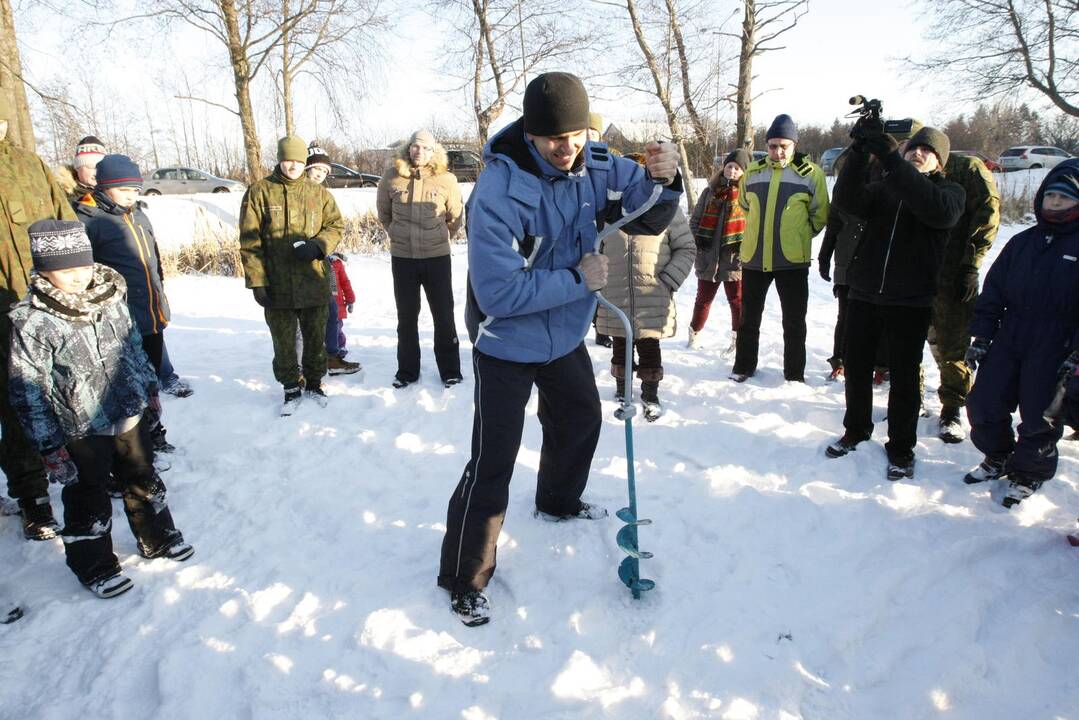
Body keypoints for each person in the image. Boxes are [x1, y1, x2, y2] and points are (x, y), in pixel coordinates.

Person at [437, 71, 683, 626]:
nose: (567, 148)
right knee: (494, 460)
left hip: (564, 337)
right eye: (554, 138)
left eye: (575, 133)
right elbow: (496, 292)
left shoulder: (594, 162)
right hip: (505, 341)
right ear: (530, 133)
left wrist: (665, 177)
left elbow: (648, 210)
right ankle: (463, 576)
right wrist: (579, 278)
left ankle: (556, 500)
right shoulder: (497, 193)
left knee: (579, 418)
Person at [8, 220, 194, 598]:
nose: (77, 277)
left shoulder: (112, 299)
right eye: (64, 270)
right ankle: (94, 564)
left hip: (129, 412)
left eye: (82, 266)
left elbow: (135, 350)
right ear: (43, 271)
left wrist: (149, 391)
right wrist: (48, 445)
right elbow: (27, 388)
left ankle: (157, 537)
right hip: (78, 428)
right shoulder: (31, 321)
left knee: (143, 478)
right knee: (86, 495)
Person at [825, 124, 964, 480]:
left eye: (927, 151)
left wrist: (890, 157)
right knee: (856, 367)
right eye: (912, 148)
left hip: (911, 300)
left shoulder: (949, 191)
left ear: (939, 162)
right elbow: (846, 200)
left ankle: (901, 448)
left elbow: (936, 211)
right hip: (865, 292)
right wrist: (858, 153)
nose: (917, 152)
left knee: (904, 378)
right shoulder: (884, 188)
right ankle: (855, 430)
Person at [964, 160, 1079, 507]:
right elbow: (994, 290)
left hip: (1056, 342)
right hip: (1011, 334)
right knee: (983, 403)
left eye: (1065, 198)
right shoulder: (1022, 242)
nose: (1056, 203)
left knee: (1039, 415)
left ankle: (1027, 474)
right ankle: (997, 455)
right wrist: (982, 336)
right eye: (1051, 196)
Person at [0, 94, 77, 541]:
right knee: (12, 408)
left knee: (62, 394)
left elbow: (67, 228)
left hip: (45, 306)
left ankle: (81, 478)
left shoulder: (31, 167)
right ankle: (33, 498)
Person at [76, 155, 177, 454]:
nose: (132, 195)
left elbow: (153, 261)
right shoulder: (88, 221)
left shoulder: (139, 215)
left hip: (151, 312)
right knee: (130, 387)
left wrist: (161, 293)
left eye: (136, 190)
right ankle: (136, 444)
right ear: (105, 187)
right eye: (124, 190)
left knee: (151, 381)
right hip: (119, 322)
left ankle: (154, 430)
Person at [240, 135, 344, 415]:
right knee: (283, 341)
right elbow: (250, 241)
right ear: (280, 159)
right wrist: (257, 281)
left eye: (299, 161)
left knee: (314, 338)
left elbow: (336, 226)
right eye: (288, 160)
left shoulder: (318, 193)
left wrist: (318, 246)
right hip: (278, 285)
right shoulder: (259, 192)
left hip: (313, 281)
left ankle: (314, 383)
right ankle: (290, 386)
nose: (293, 166)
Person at [819, 121, 923, 382]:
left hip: (886, 260)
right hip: (848, 255)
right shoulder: (858, 170)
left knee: (886, 319)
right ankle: (840, 360)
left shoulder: (905, 177)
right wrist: (825, 253)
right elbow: (836, 216)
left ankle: (882, 365)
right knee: (847, 314)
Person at [730, 114, 829, 383]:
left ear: (794, 145)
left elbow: (820, 214)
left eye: (783, 145)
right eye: (773, 145)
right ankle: (743, 367)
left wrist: (800, 235)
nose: (777, 151)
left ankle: (794, 374)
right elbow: (745, 205)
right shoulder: (753, 171)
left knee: (794, 322)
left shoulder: (812, 174)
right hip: (754, 257)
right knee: (748, 319)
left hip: (792, 261)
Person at [596, 180, 695, 420]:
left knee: (650, 346)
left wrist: (669, 280)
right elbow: (591, 247)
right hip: (614, 293)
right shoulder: (606, 211)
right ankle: (622, 389)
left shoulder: (667, 209)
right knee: (620, 344)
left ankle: (650, 394)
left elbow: (686, 247)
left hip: (652, 292)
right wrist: (597, 281)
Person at [376, 129, 464, 389]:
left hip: (437, 257)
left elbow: (455, 216)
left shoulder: (446, 179)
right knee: (406, 316)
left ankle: (450, 370)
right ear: (408, 149)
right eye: (415, 146)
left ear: (433, 152)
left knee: (444, 315)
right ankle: (407, 371)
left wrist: (440, 235)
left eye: (425, 148)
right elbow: (384, 212)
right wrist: (395, 232)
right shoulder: (391, 177)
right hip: (403, 258)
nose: (419, 152)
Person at [930, 152, 1000, 443]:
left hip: (953, 274)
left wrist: (971, 264)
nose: (910, 150)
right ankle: (912, 396)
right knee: (907, 342)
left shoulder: (966, 168)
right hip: (911, 274)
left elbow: (987, 213)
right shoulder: (895, 165)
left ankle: (952, 408)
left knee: (953, 346)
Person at [687, 149, 749, 355]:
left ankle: (737, 340)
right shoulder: (710, 192)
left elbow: (751, 226)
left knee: (737, 301)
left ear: (744, 172)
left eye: (737, 168)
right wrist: (696, 242)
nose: (732, 171)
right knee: (703, 299)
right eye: (729, 166)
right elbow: (695, 220)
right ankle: (693, 334)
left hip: (734, 258)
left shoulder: (747, 196)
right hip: (708, 256)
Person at [306, 146, 361, 377]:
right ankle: (303, 368)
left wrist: (324, 247)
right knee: (305, 322)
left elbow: (335, 226)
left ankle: (332, 358)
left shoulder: (323, 196)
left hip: (322, 262)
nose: (319, 173)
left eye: (324, 170)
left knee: (331, 312)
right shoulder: (290, 192)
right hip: (298, 268)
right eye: (316, 168)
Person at [588, 112, 614, 350]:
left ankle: (600, 328)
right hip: (579, 229)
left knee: (600, 281)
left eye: (592, 131)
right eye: (583, 131)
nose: (588, 136)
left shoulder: (608, 163)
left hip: (603, 230)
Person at [325, 253, 361, 375]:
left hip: (338, 304)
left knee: (337, 328)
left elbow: (345, 282)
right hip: (323, 303)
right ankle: (327, 353)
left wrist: (350, 299)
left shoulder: (337, 263)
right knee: (325, 330)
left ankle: (339, 349)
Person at [54, 135, 107, 207]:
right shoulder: (59, 195)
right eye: (90, 167)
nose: (96, 173)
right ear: (77, 168)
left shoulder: (114, 193)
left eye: (100, 167)